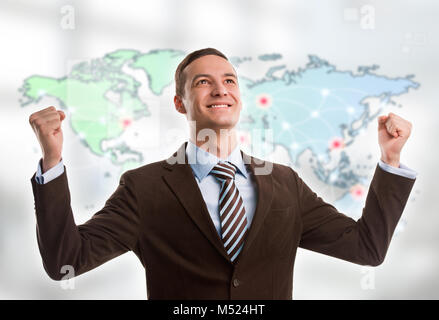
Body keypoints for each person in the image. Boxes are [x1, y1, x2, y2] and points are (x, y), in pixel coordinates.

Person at [29, 48, 417, 299]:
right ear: (180, 103)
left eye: (229, 80)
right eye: (204, 82)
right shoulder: (143, 188)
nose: (220, 89)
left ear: (239, 98)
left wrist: (390, 161)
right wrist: (52, 160)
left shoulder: (285, 184)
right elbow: (67, 259)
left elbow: (366, 248)